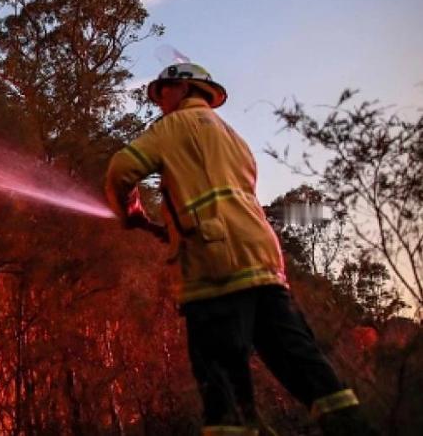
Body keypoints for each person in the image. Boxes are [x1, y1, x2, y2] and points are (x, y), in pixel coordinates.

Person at [104, 63, 376, 435]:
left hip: (215, 270)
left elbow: (121, 169)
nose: (159, 102)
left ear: (182, 88)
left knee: (224, 393)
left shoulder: (172, 127)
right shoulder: (234, 136)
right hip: (264, 261)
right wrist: (176, 223)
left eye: (162, 92)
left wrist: (130, 211)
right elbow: (215, 195)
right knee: (306, 367)